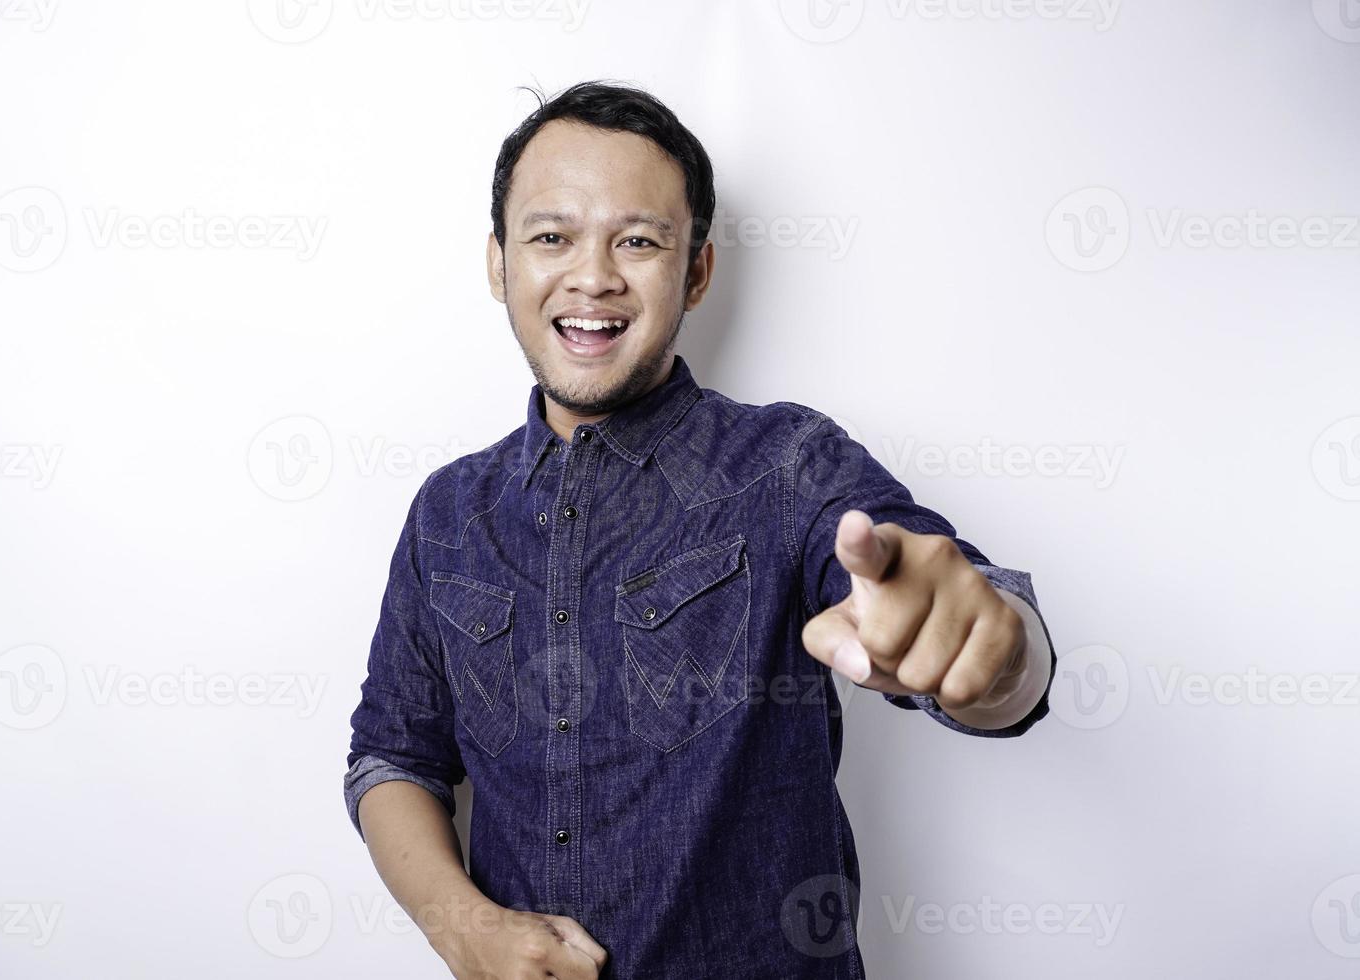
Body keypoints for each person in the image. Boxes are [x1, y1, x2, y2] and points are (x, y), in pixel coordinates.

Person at [344, 80, 1056, 980]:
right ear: (499, 263)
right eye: (551, 236)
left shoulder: (789, 466)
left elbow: (996, 655)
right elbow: (391, 756)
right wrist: (465, 930)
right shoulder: (446, 514)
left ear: (697, 270)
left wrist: (992, 650)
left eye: (638, 240)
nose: (592, 274)